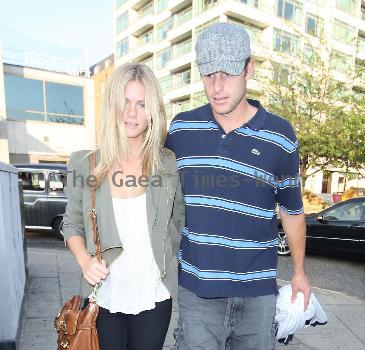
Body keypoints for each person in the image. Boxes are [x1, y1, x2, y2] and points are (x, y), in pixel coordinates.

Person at [165, 23, 311, 349]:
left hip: (258, 294)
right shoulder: (181, 129)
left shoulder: (280, 136)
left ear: (249, 69)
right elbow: (154, 190)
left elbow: (292, 209)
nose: (216, 87)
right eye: (208, 74)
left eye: (228, 74)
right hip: (198, 290)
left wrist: (299, 271)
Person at [62, 62, 184, 350]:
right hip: (104, 297)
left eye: (142, 104)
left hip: (154, 295)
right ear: (113, 105)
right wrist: (84, 261)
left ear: (152, 110)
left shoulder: (167, 163)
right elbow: (72, 223)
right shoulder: (86, 163)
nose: (131, 113)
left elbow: (181, 222)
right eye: (125, 102)